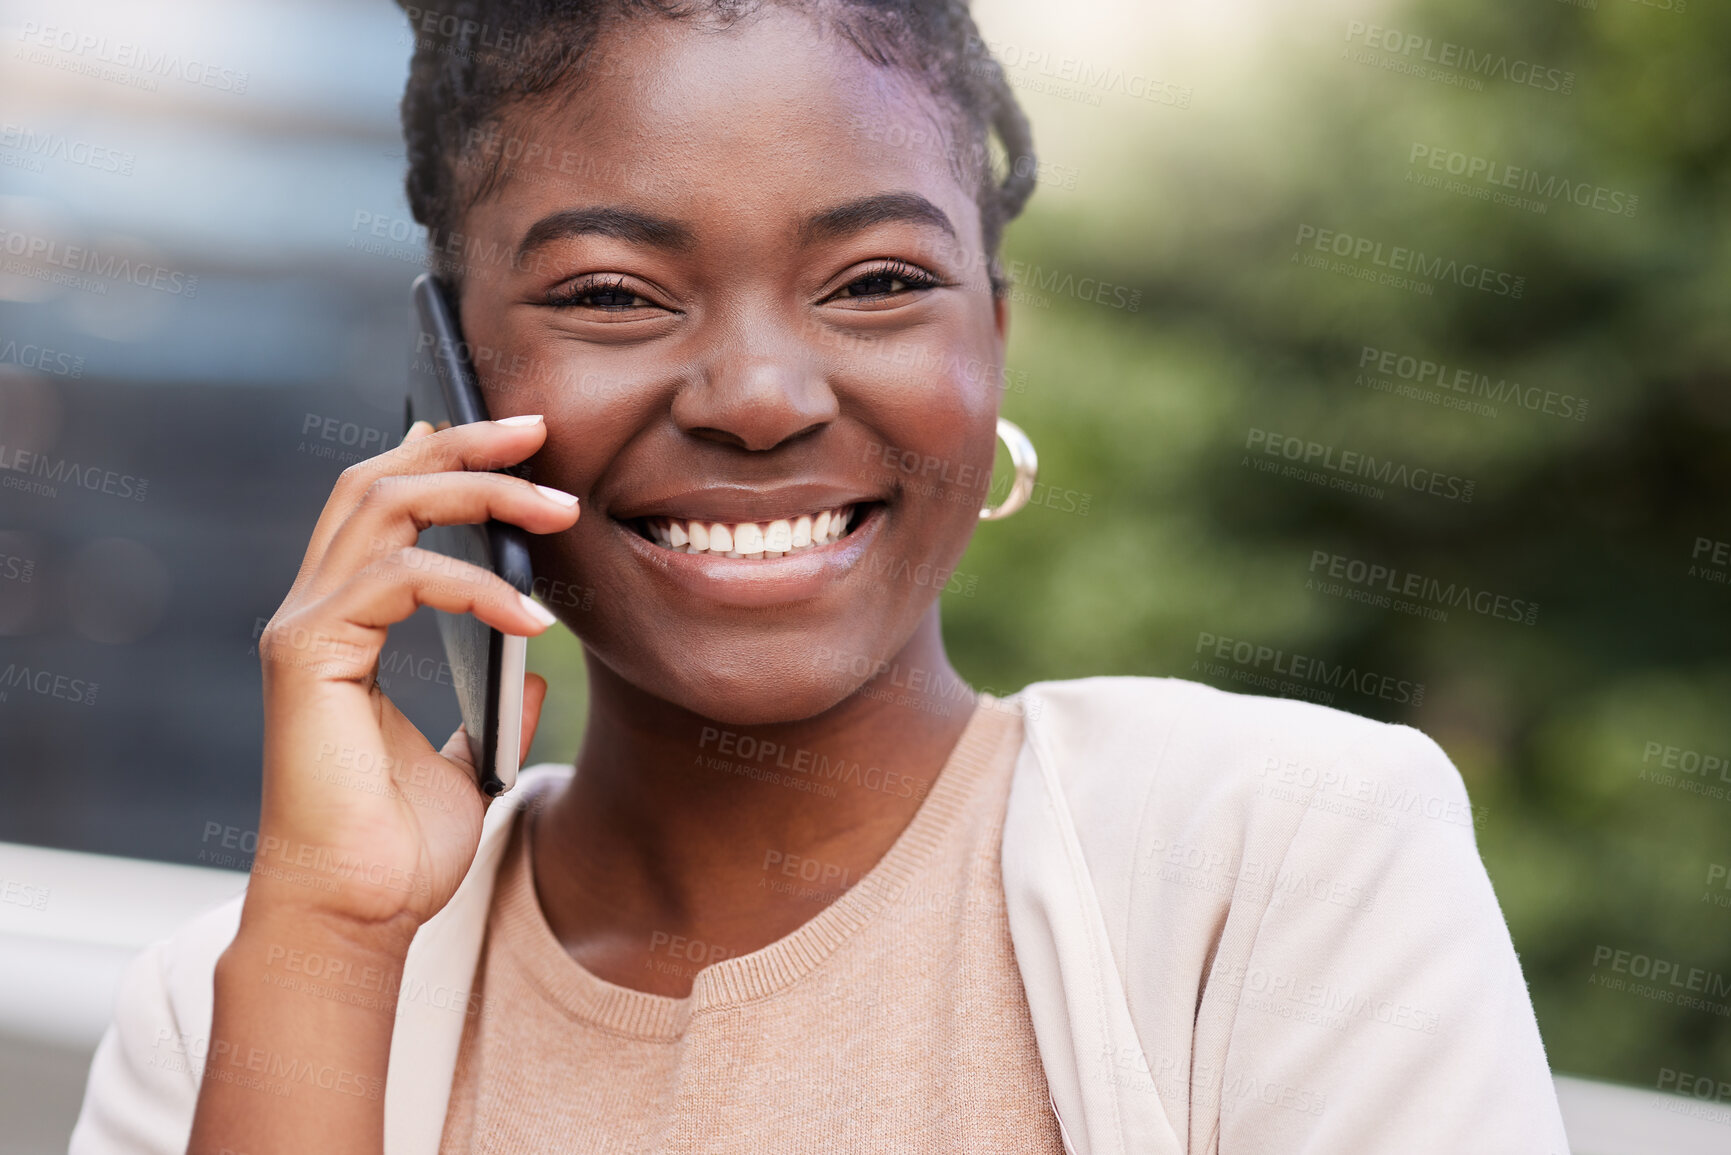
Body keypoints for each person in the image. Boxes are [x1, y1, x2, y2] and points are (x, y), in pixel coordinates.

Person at [71, 2, 1573, 1152]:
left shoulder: (1277, 862)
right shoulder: (238, 1006)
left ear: (992, 340)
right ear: (447, 369)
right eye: (613, 293)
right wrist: (329, 949)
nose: (762, 392)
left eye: (878, 284)